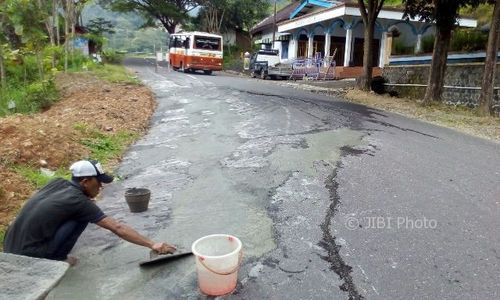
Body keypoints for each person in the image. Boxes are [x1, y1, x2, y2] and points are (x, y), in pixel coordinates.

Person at [3, 159, 176, 266]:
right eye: (98, 182)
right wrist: (152, 244)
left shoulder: (56, 183)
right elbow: (117, 228)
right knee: (82, 218)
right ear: (85, 181)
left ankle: (49, 252)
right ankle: (57, 260)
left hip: (10, 246)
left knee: (72, 214)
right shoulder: (79, 201)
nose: (100, 187)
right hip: (30, 257)